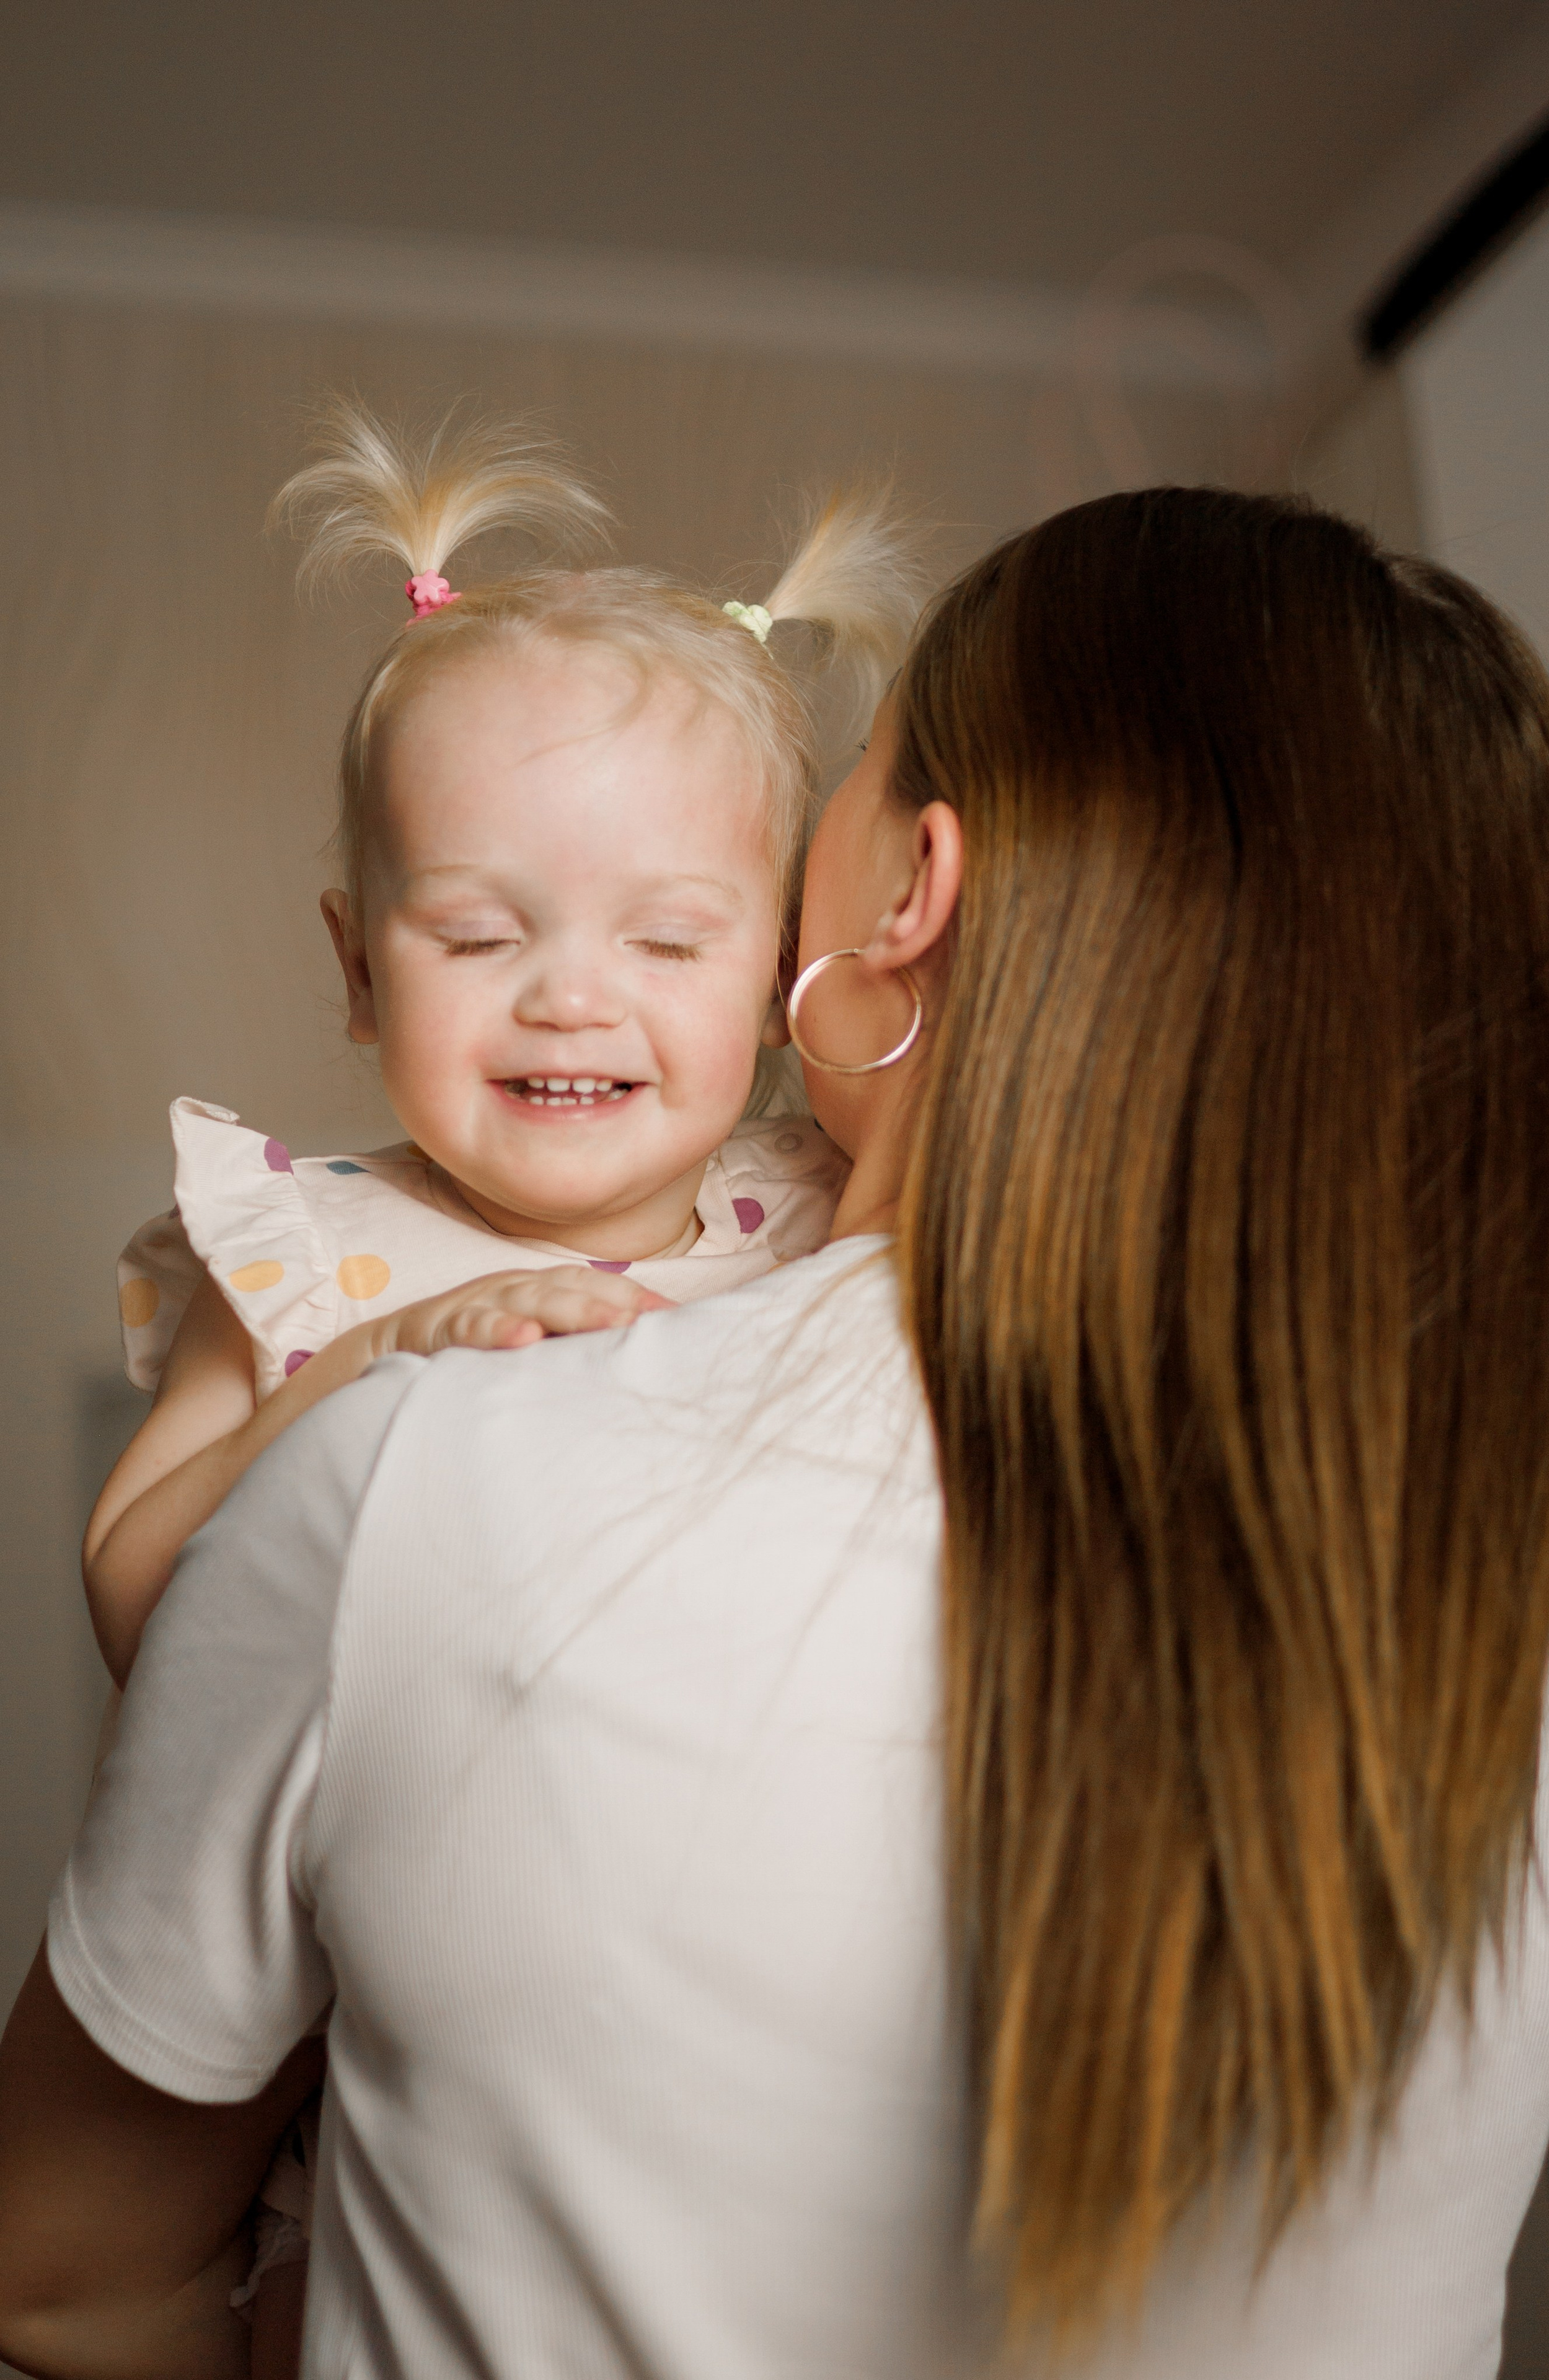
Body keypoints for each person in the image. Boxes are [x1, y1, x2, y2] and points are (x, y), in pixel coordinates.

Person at [4, 485, 1549, 2380]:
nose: (583, 989)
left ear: (909, 887)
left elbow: (61, 2279)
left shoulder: (434, 1470)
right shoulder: (1531, 1571)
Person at [73, 399, 923, 2371]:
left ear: (779, 972)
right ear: (359, 972)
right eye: (477, 931)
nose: (568, 992)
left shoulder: (821, 1215)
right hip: (372, 1999)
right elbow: (137, 1602)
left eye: (669, 936)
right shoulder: (308, 1246)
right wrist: (357, 1375)